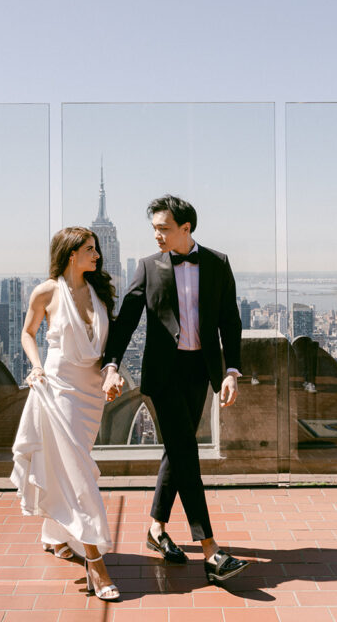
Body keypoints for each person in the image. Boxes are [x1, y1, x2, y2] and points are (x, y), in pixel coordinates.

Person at [102, 195, 249, 585]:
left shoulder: (217, 264)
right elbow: (127, 320)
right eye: (154, 228)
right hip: (163, 374)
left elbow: (229, 320)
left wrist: (231, 370)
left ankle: (155, 528)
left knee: (176, 449)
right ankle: (211, 550)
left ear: (186, 228)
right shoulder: (148, 267)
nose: (157, 235)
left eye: (164, 228)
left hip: (199, 371)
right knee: (186, 452)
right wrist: (112, 364)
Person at [11, 227, 120, 601]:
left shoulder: (99, 291)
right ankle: (96, 561)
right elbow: (28, 333)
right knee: (79, 474)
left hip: (91, 393)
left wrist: (111, 372)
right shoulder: (47, 291)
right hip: (58, 389)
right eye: (90, 250)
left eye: (97, 249)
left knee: (73, 464)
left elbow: (107, 344)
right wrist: (36, 366)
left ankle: (54, 534)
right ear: (71, 254)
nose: (97, 255)